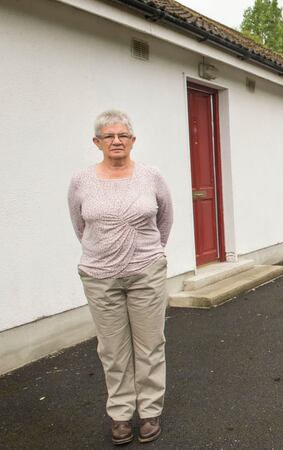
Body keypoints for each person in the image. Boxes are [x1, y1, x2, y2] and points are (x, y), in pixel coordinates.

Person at [68, 110, 173, 445]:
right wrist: (105, 254)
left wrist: (148, 254)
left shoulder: (151, 176)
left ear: (132, 141)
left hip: (146, 274)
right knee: (113, 351)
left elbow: (165, 219)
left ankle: (150, 410)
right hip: (100, 278)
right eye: (109, 136)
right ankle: (121, 414)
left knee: (150, 346)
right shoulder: (82, 181)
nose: (116, 141)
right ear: (97, 142)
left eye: (122, 135)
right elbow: (80, 226)